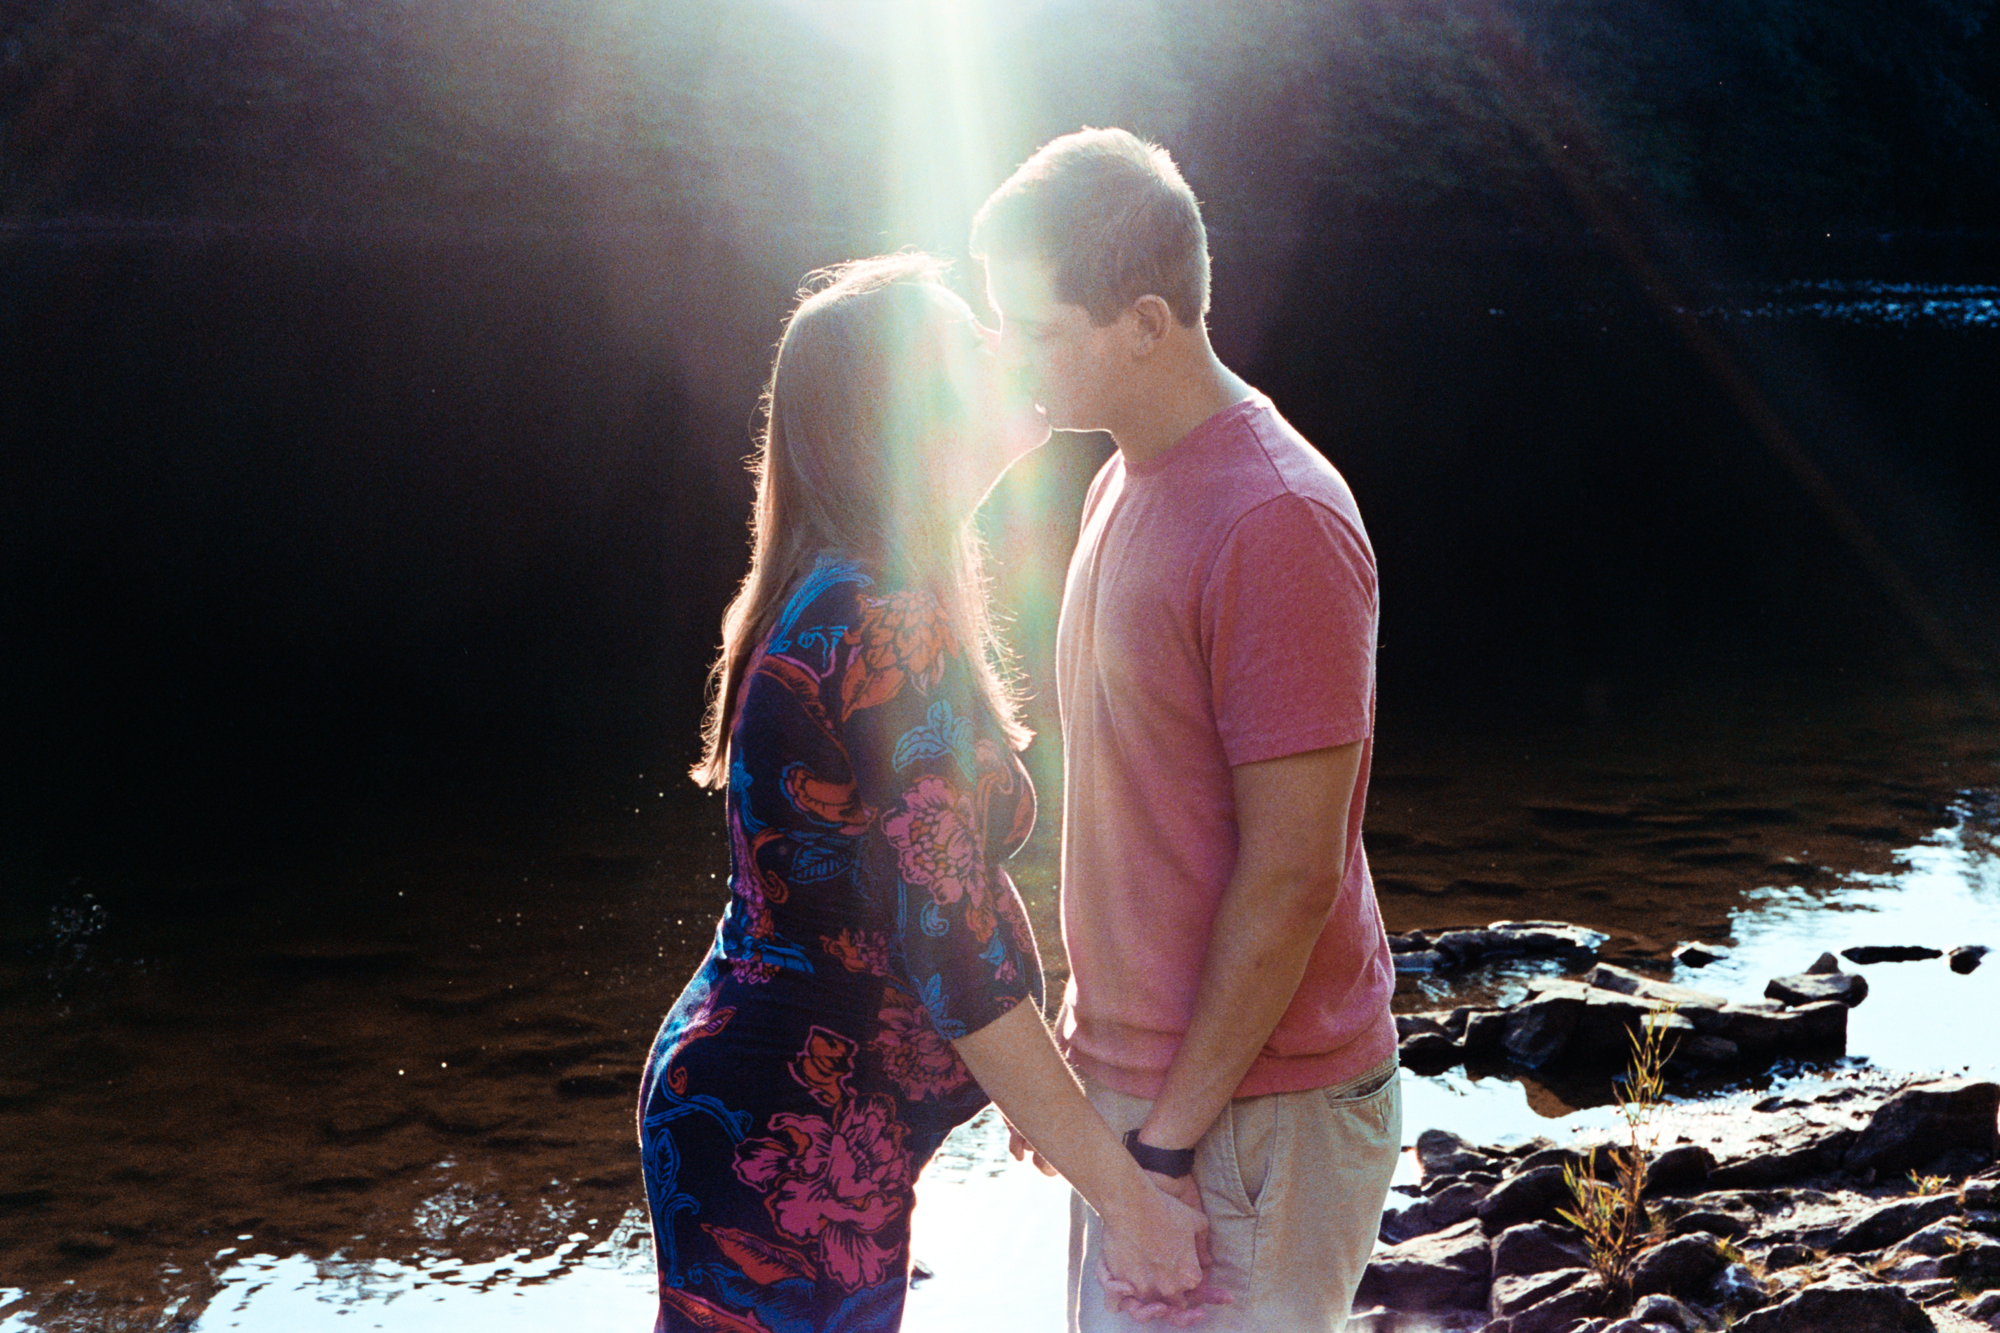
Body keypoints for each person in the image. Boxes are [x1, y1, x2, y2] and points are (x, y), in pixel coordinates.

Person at [637, 253, 1212, 1333]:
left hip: (777, 1107)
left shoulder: (858, 589)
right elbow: (952, 950)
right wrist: (1131, 1203)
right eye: (973, 345)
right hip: (784, 1133)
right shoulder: (877, 623)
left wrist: (1033, 1083)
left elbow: (933, 901)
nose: (1008, 351)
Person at [971, 129, 1403, 1332]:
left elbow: (1292, 875)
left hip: (1253, 1108)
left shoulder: (1275, 519)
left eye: (1036, 330)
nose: (1009, 357)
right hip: (1155, 1091)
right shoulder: (1122, 476)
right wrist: (1088, 1047)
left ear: (1145, 324)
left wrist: (1160, 1147)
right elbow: (1140, 808)